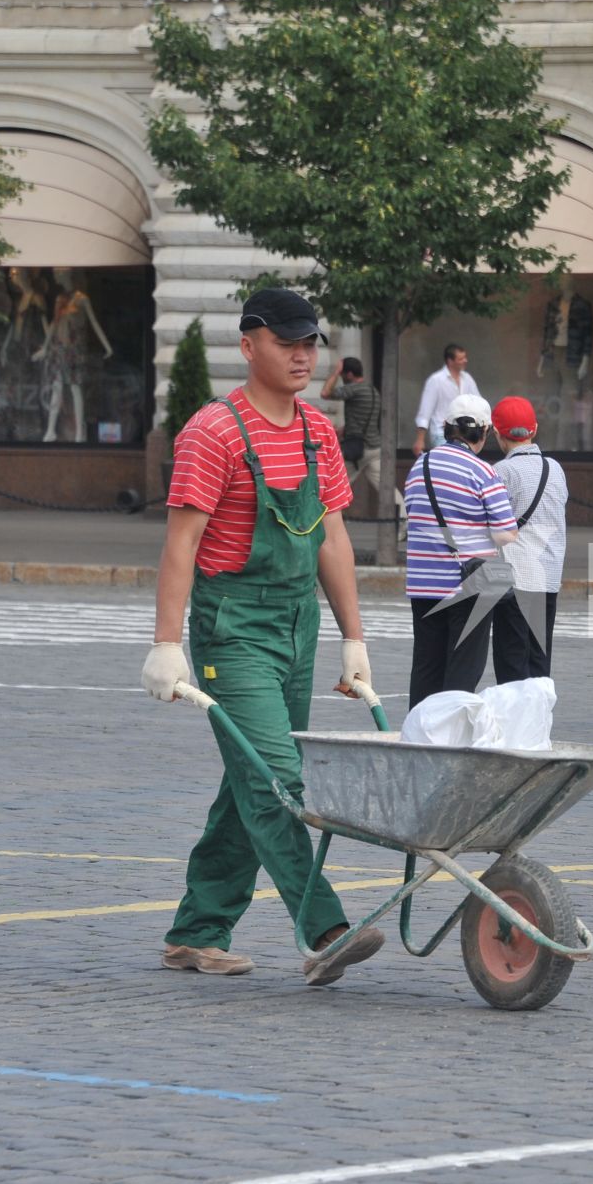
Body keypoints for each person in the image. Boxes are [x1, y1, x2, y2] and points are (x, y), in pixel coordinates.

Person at [139, 287, 383, 987]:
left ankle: (197, 930)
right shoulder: (212, 432)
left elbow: (333, 536)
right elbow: (181, 544)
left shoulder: (316, 431)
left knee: (249, 779)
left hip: (296, 623)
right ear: (249, 346)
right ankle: (326, 928)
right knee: (277, 778)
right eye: (286, 342)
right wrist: (166, 641)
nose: (303, 354)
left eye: (310, 342)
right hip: (233, 626)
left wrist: (353, 638)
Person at [404, 394, 518, 704]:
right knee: (462, 670)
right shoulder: (483, 472)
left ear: (445, 428)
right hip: (469, 584)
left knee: (426, 666)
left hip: (423, 583)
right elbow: (507, 533)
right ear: (483, 432)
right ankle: (449, 738)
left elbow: (413, 511)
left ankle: (420, 735)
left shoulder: (420, 466)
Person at [491, 395, 569, 680]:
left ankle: (515, 723)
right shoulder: (555, 469)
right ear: (533, 429)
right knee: (539, 660)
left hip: (515, 578)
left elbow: (494, 526)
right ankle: (538, 721)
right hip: (548, 578)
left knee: (511, 661)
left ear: (498, 434)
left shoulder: (501, 472)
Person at [321, 355, 381, 485]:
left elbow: (325, 393)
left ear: (349, 374)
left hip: (358, 449)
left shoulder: (354, 389)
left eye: (342, 375)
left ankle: (327, 506)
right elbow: (363, 417)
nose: (341, 378)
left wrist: (335, 372)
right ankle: (401, 506)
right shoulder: (372, 390)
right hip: (375, 447)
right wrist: (344, 429)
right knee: (385, 488)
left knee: (336, 485)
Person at [412, 343, 481, 456]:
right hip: (441, 433)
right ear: (450, 361)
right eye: (461, 358)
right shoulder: (436, 380)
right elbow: (425, 411)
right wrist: (420, 439)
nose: (465, 360)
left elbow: (478, 402)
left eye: (465, 357)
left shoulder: (467, 379)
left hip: (464, 433)